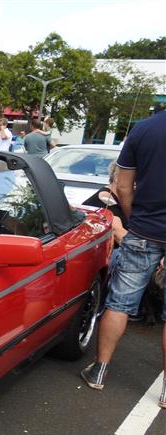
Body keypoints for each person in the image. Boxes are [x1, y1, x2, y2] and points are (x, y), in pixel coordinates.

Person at [81, 104, 166, 408]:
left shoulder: (143, 129)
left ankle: (99, 370)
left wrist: (133, 218)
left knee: (119, 302)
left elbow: (123, 185)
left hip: (144, 230)